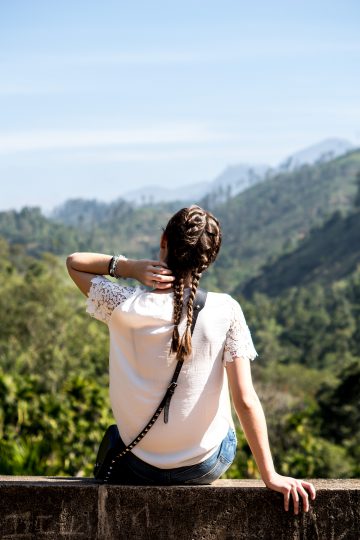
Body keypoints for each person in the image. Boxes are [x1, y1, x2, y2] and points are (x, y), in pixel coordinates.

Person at [66, 204, 316, 514]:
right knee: (223, 389)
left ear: (164, 243)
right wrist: (271, 475)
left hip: (137, 464)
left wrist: (129, 267)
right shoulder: (226, 310)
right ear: (209, 258)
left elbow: (74, 263)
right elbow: (246, 400)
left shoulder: (124, 305)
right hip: (203, 467)